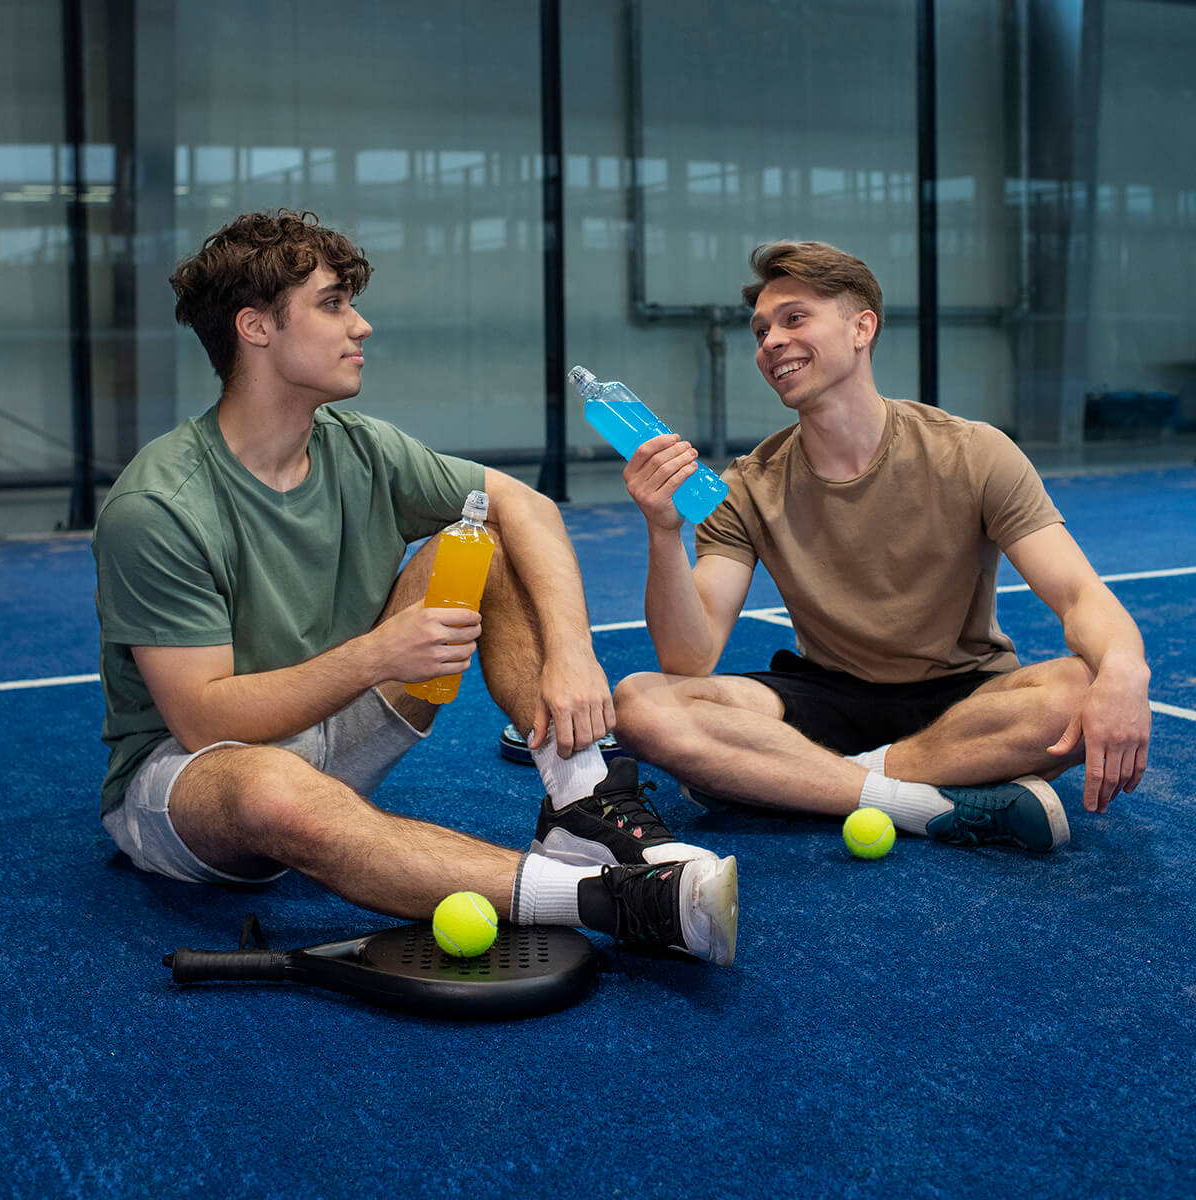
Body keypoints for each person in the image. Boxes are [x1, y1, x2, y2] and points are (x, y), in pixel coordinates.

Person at [92, 210, 737, 966]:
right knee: (270, 788)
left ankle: (579, 797)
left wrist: (571, 653)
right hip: (197, 779)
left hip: (332, 723)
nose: (360, 326)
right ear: (255, 327)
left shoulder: (361, 446)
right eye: (333, 304)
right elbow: (205, 722)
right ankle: (617, 901)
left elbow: (525, 504)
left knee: (480, 544)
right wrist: (376, 656)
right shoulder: (160, 506)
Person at [610, 240, 1151, 852]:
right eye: (761, 330)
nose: (770, 342)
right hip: (827, 694)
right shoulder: (745, 486)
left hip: (967, 696)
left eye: (794, 319)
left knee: (1082, 690)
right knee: (639, 704)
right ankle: (924, 799)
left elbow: (1079, 594)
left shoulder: (974, 453)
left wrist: (1127, 672)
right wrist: (663, 531)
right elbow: (689, 659)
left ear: (862, 327)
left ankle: (798, 778)